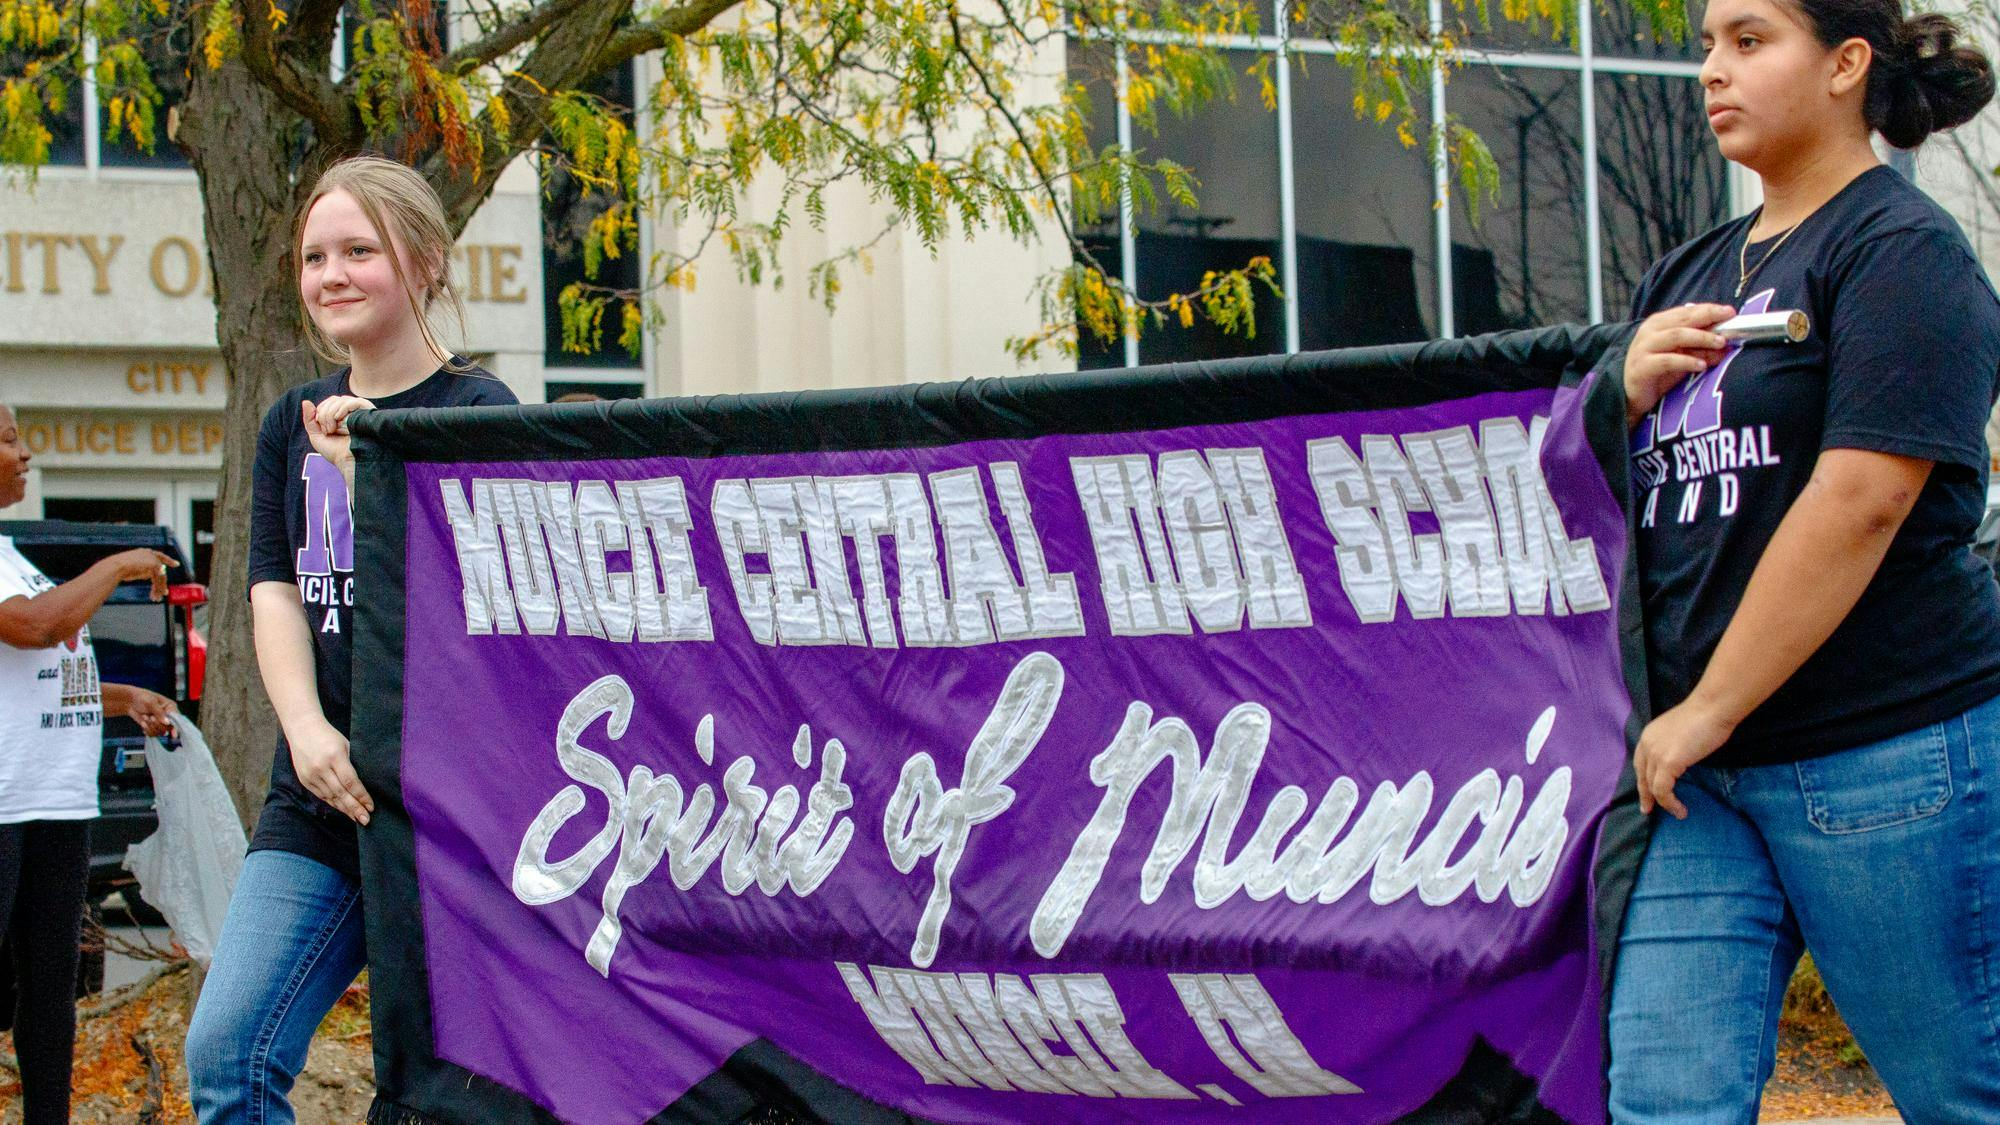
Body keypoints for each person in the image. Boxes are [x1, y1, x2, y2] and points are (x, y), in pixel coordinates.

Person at [1607, 0, 2000, 1117]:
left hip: (1886, 754)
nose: (1710, 74)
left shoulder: (1902, 254)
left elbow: (1860, 502)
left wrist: (1707, 707)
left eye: (1747, 40)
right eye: (1702, 48)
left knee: (1958, 1091)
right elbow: (1608, 506)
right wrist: (1609, 394)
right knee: (1661, 1099)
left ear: (1844, 64)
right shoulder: (1688, 273)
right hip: (1696, 779)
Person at [183, 156, 517, 1125]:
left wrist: (375, 466)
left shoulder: (478, 414)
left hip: (450, 818)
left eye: (358, 251)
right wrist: (302, 729)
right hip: (319, 801)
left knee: (441, 1102)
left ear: (421, 263)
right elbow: (274, 589)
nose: (330, 274)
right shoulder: (291, 420)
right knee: (229, 1055)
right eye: (312, 256)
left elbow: (469, 608)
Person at [0, 400, 179, 1125]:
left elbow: (36, 674)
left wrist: (124, 696)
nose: (25, 453)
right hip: (6, 803)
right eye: (10, 438)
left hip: (53, 800)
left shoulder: (12, 554)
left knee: (50, 987)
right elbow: (37, 628)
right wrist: (114, 566)